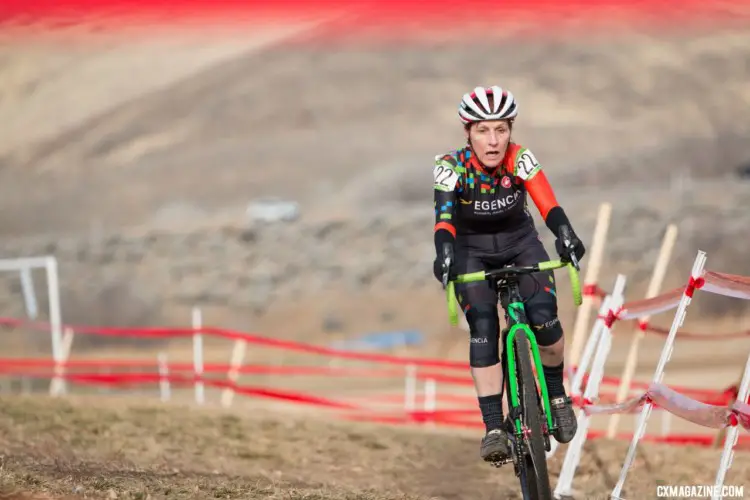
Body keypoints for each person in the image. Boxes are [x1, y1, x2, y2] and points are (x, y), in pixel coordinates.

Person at [432, 86, 586, 463]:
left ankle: (556, 395)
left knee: (546, 321)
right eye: (483, 130)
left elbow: (547, 202)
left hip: (520, 243)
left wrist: (565, 233)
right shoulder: (450, 167)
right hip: (472, 252)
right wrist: (445, 253)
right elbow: (445, 221)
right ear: (467, 132)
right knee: (483, 329)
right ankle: (494, 427)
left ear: (510, 131)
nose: (493, 140)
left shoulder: (521, 158)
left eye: (501, 130)